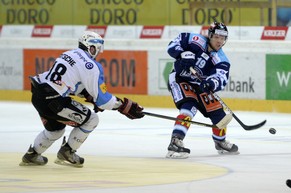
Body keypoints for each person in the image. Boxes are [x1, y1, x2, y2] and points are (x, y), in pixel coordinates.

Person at [19, 31, 144, 167]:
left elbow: (70, 82)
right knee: (91, 119)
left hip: (39, 96)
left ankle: (32, 155)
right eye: (98, 49)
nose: (98, 53)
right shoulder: (91, 65)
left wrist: (89, 95)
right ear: (92, 47)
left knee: (55, 130)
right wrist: (124, 106)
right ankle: (68, 152)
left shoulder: (69, 54)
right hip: (54, 101)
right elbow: (104, 100)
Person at [166, 22, 239, 159]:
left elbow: (221, 78)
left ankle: (220, 141)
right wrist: (182, 54)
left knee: (219, 114)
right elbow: (171, 45)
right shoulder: (195, 40)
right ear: (210, 35)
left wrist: (211, 83)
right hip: (180, 79)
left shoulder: (222, 59)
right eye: (217, 37)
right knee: (189, 108)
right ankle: (175, 141)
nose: (219, 41)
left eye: (223, 38)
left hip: (200, 85)